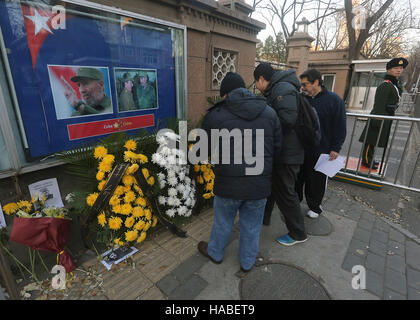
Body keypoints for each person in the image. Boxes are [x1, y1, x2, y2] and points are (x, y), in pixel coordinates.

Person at [197, 72, 282, 273]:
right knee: (252, 226)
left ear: (225, 95)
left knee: (223, 222)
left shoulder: (216, 115)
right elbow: (278, 149)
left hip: (227, 185)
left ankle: (216, 253)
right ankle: (247, 262)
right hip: (259, 186)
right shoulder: (269, 112)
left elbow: (200, 150)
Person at [253, 63, 307, 246]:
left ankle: (298, 233)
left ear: (261, 79)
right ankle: (264, 218)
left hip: (288, 153)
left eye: (256, 83)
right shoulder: (278, 89)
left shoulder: (282, 89)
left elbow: (287, 120)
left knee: (286, 192)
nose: (257, 88)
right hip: (281, 151)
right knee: (273, 187)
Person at [296, 69, 346, 219]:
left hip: (322, 151)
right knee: (298, 178)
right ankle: (294, 202)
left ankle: (315, 207)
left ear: (316, 82)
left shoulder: (334, 100)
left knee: (316, 181)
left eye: (305, 84)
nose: (303, 87)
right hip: (302, 148)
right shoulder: (302, 99)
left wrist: (335, 148)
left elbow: (340, 126)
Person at [359, 57, 408, 169]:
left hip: (386, 116)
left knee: (375, 140)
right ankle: (366, 160)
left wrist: (398, 83)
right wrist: (378, 120)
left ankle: (370, 159)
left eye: (401, 68)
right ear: (388, 70)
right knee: (370, 140)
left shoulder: (393, 84)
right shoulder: (386, 85)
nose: (399, 70)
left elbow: (397, 96)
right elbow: (379, 104)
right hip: (379, 117)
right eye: (396, 68)